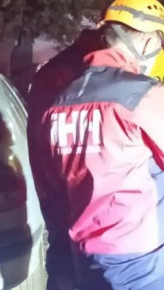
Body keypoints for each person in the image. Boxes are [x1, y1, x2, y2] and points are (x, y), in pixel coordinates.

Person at [36, 0, 164, 290]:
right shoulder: (141, 93)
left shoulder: (60, 101)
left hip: (87, 254)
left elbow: (55, 178)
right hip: (146, 258)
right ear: (147, 42)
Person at [27, 27, 104, 290]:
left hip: (57, 188)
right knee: (72, 265)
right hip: (69, 190)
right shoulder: (76, 75)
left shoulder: (59, 69)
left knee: (64, 259)